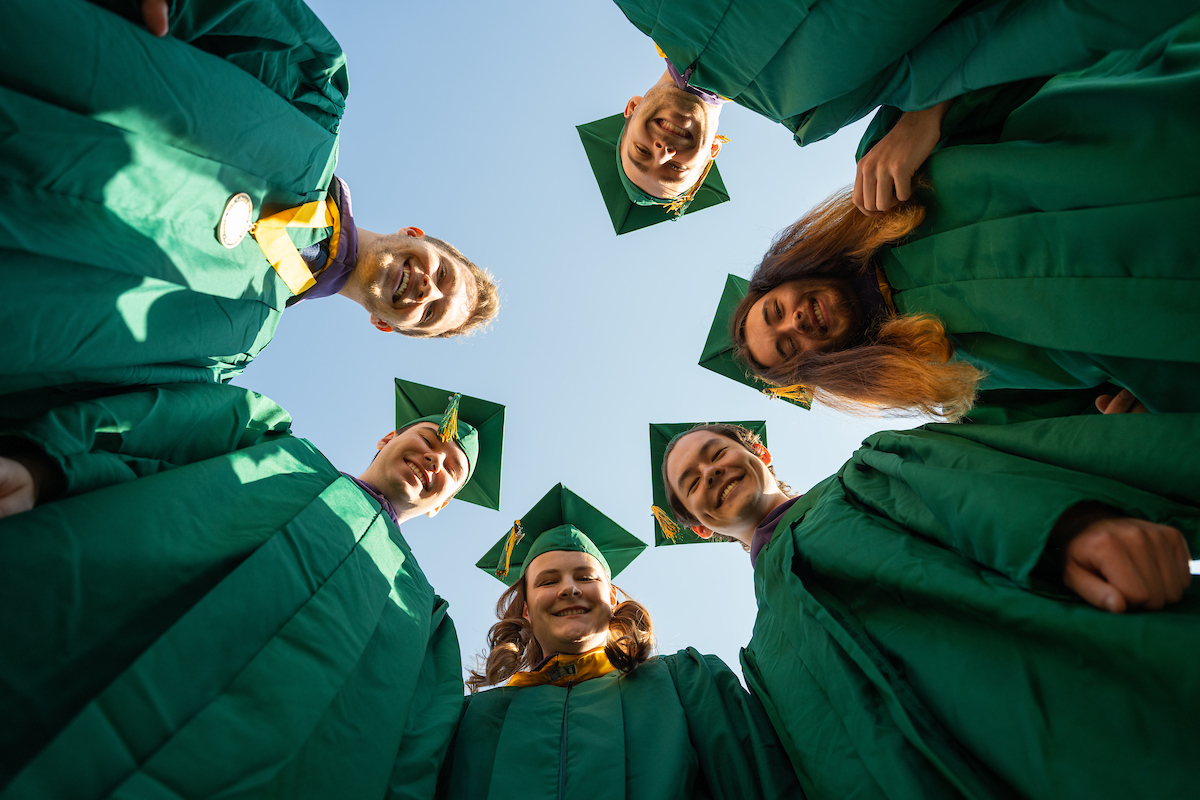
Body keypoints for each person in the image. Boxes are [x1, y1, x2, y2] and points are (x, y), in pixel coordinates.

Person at [0, 379, 504, 797]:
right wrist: (47, 473)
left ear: (443, 505)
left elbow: (414, 758)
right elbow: (149, 460)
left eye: (453, 467)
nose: (435, 459)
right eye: (429, 439)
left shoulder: (424, 618)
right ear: (387, 437)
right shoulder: (279, 454)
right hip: (87, 656)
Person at [0, 0, 498, 423]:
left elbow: (60, 383)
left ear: (387, 326)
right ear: (416, 233)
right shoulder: (314, 95)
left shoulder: (227, 348)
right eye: (444, 276)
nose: (427, 289)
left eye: (429, 313)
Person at [657, 419, 1199, 799]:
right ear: (702, 526)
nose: (709, 473)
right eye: (690, 482)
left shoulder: (867, 477)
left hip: (1065, 689)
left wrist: (1065, 528)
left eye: (716, 453)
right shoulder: (764, 655)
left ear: (761, 455)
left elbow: (983, 499)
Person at [708, 14, 1200, 417]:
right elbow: (1073, 403)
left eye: (775, 312)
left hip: (1158, 135)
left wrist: (926, 113)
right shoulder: (947, 380)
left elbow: (985, 42)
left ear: (785, 278)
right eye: (790, 348)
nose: (795, 322)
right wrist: (1130, 414)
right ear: (819, 367)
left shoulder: (882, 174)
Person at [577, 0, 1197, 233]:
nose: (665, 152)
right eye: (676, 169)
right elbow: (963, 46)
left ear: (630, 112)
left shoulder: (646, 4)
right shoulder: (813, 110)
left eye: (640, 151)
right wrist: (926, 113)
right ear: (711, 155)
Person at [437, 484, 802, 800]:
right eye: (548, 581)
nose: (570, 588)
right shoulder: (474, 719)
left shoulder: (686, 684)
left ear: (612, 598)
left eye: (585, 576)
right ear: (527, 611)